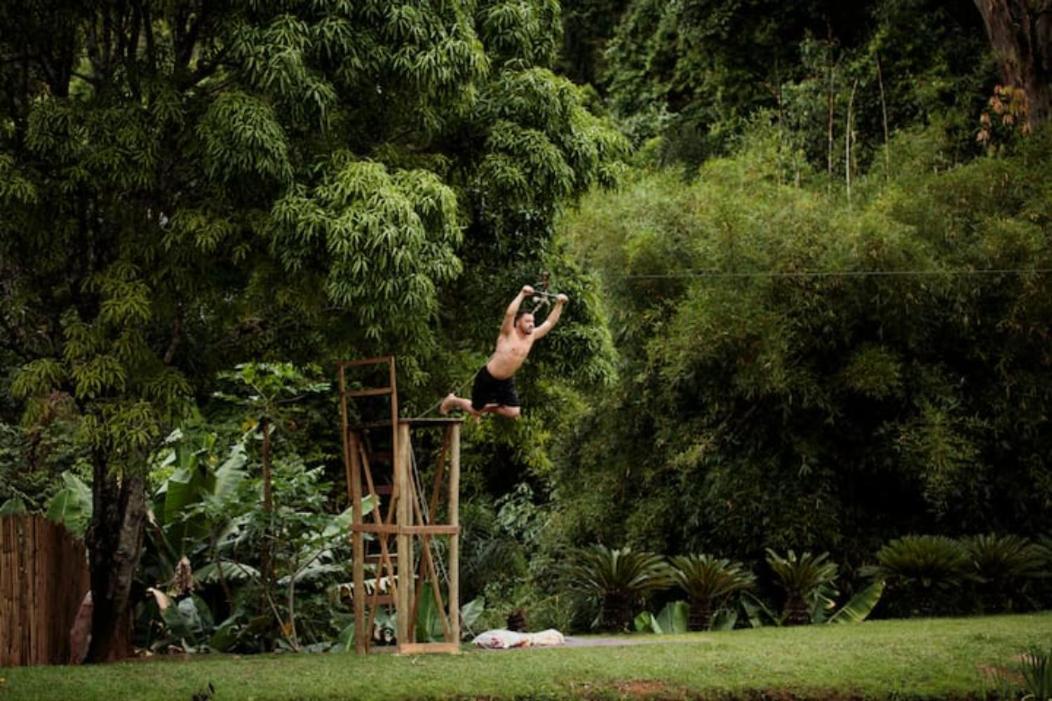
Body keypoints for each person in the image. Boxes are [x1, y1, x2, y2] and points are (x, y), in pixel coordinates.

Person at [440, 285, 568, 420]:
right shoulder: (508, 333)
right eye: (528, 321)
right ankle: (454, 401)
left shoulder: (532, 336)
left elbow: (549, 322)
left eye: (533, 321)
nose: (532, 324)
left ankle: (483, 408)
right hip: (488, 377)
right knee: (475, 410)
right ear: (518, 323)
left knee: (513, 412)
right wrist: (522, 294)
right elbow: (510, 314)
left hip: (506, 380)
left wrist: (559, 304)